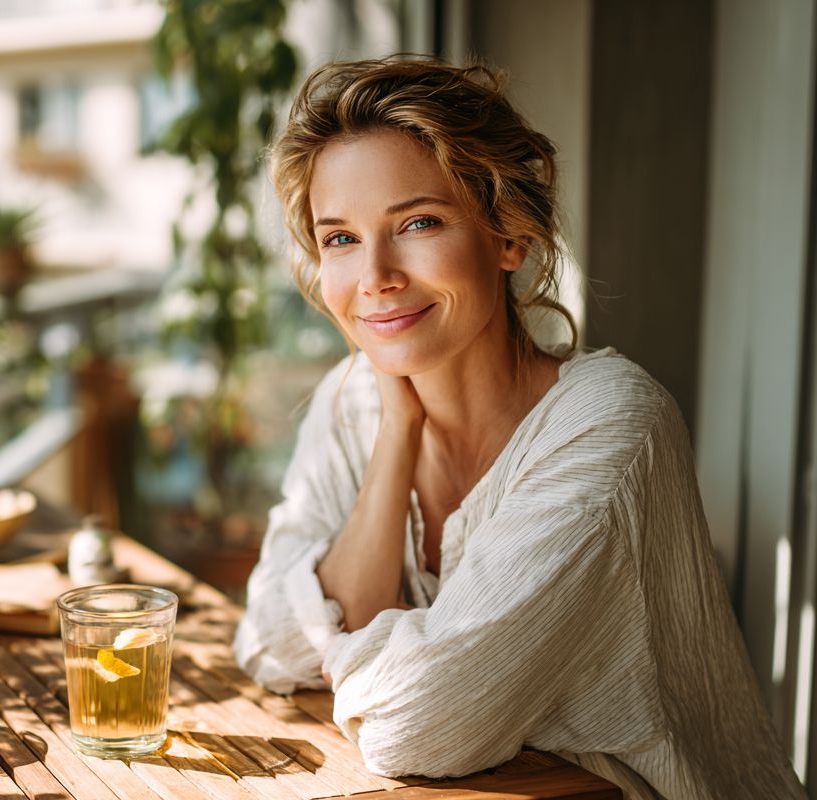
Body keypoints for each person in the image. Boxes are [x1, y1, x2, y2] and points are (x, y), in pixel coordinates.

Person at [233, 56, 805, 800]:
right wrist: (397, 434)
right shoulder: (355, 402)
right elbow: (269, 643)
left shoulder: (612, 423)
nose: (374, 275)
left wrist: (339, 653)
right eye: (339, 237)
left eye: (418, 223)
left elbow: (421, 723)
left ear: (508, 236)